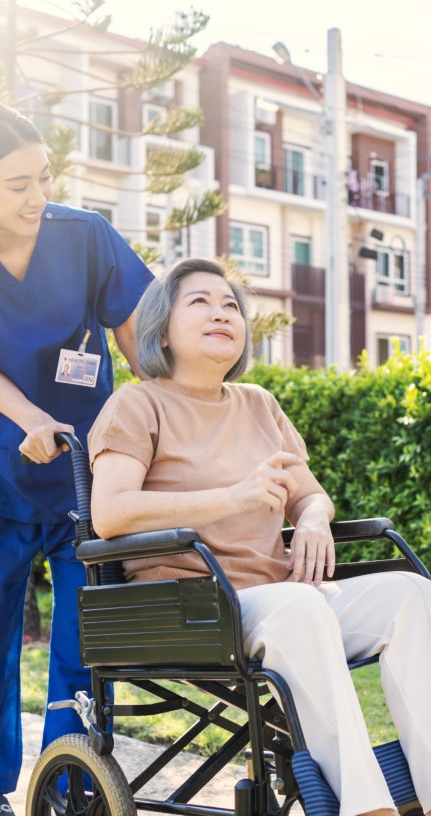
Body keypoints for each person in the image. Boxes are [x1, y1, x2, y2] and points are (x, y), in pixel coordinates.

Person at [87, 257, 431, 816]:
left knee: (413, 595)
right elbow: (110, 513)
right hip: (193, 604)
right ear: (161, 329)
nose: (222, 313)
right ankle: (366, 807)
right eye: (199, 302)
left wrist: (315, 519)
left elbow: (309, 494)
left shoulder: (259, 404)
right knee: (300, 607)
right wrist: (232, 499)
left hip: (280, 598)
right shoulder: (137, 403)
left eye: (231, 306)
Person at [0, 101, 153, 816]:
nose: (37, 197)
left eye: (44, 177)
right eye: (17, 184)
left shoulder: (87, 238)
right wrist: (35, 420)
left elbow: (142, 354)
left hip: (90, 477)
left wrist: (165, 430)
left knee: (84, 648)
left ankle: (71, 785)